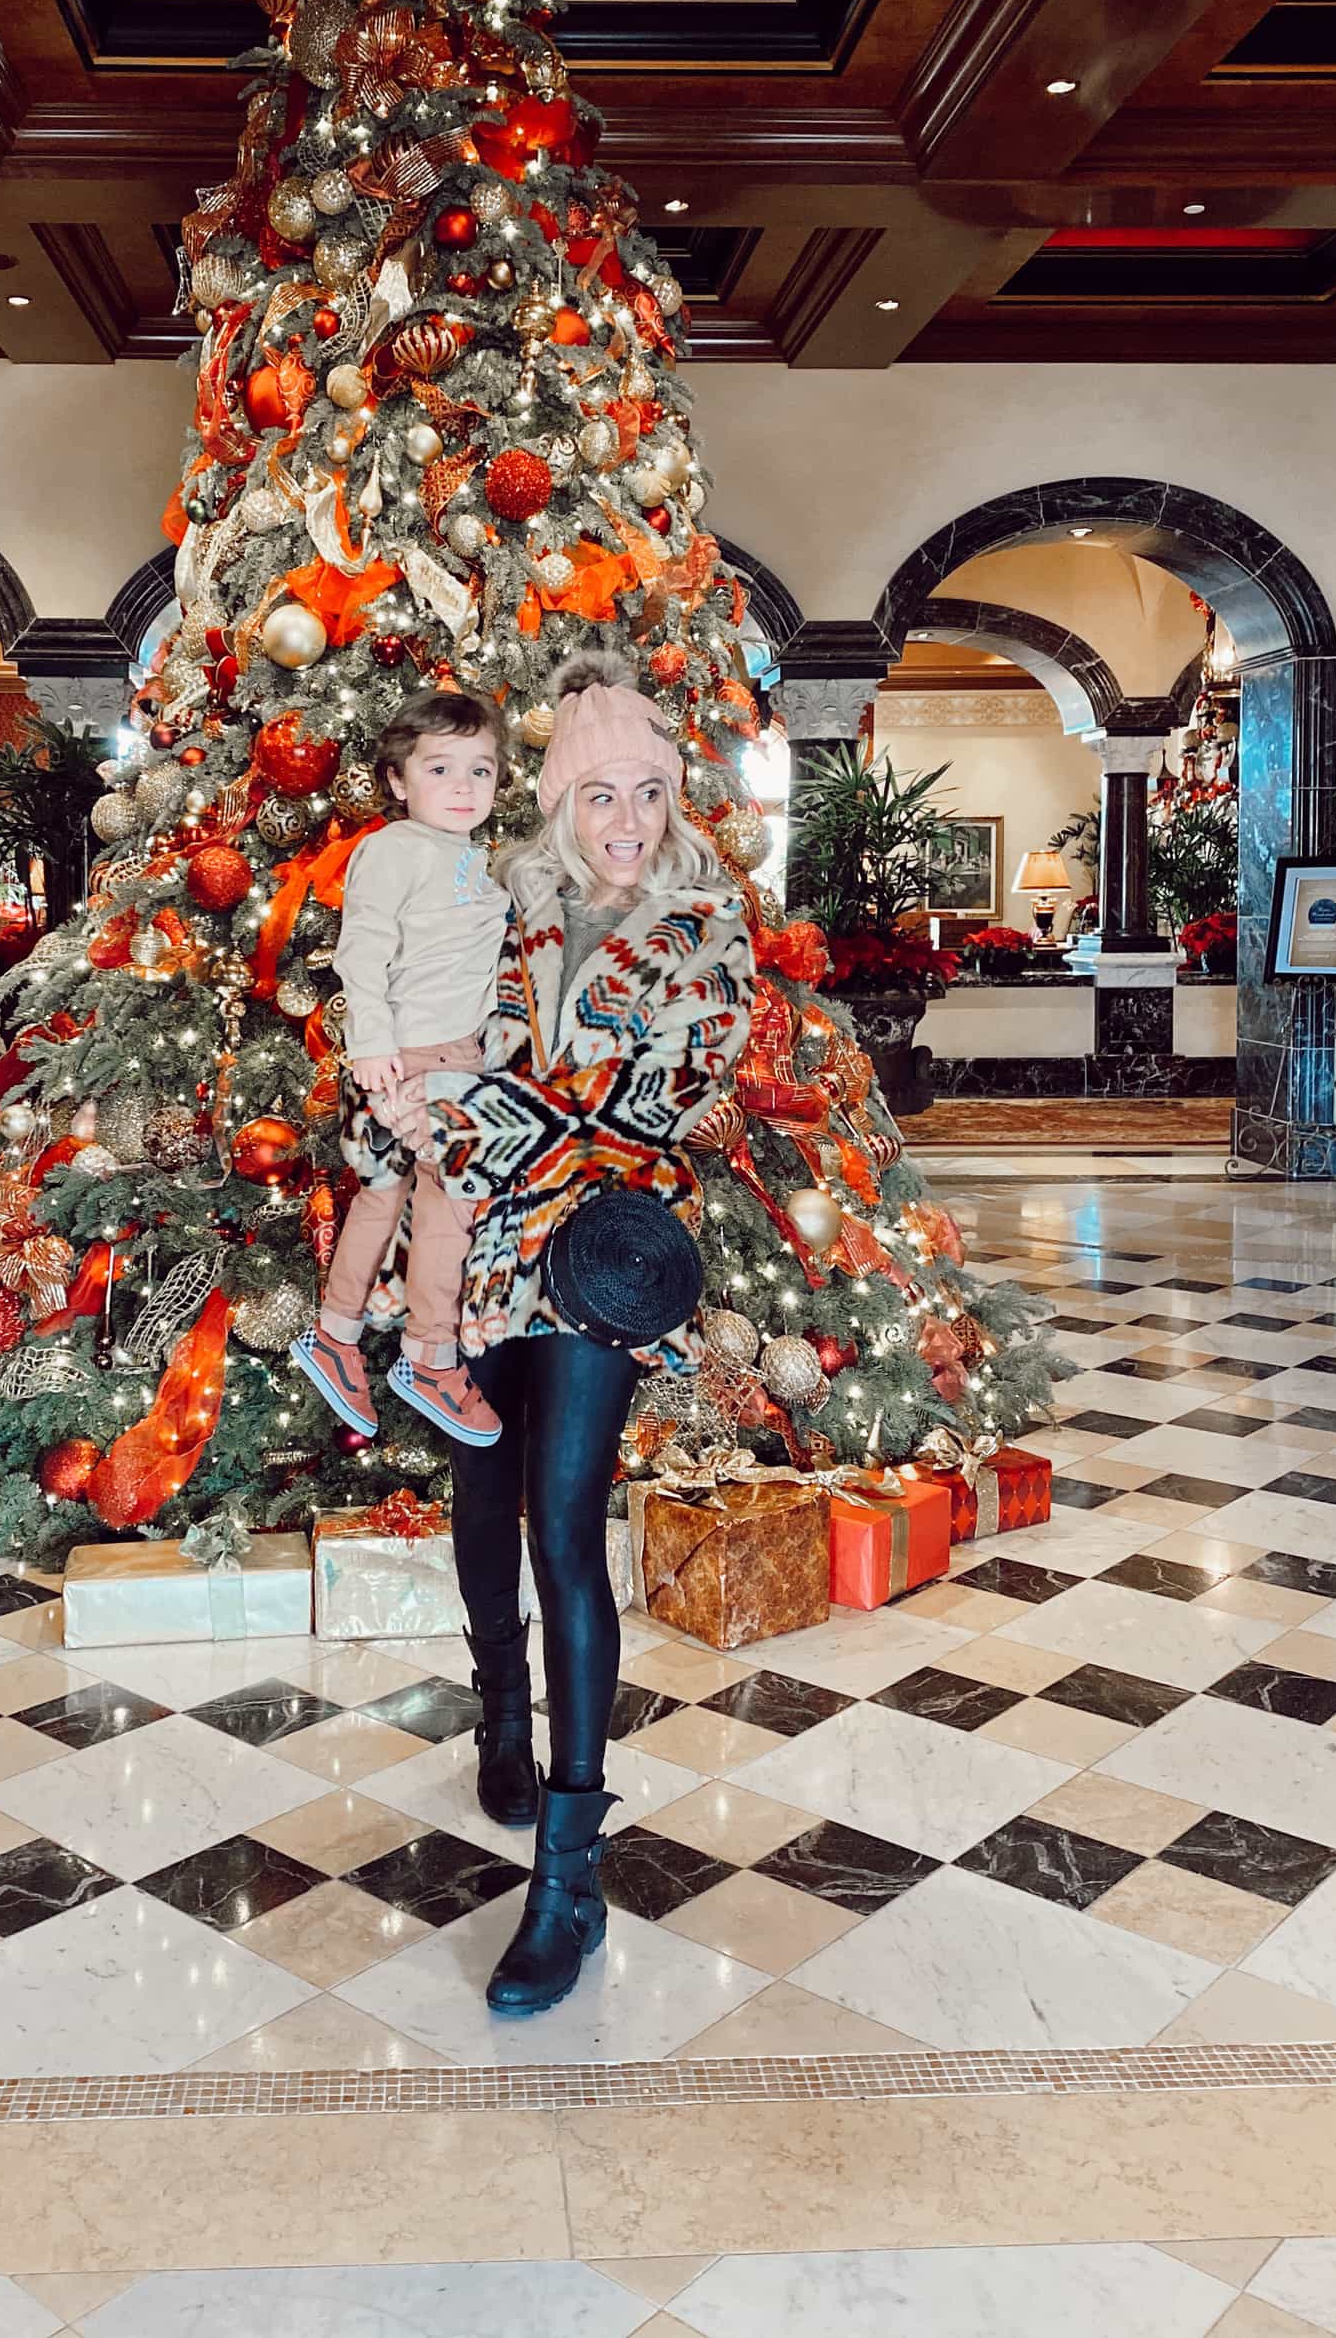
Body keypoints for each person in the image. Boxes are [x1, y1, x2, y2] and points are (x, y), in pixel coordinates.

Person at [388, 654, 755, 2017]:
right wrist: (459, 1088)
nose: (626, 820)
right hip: (481, 1250)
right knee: (482, 1490)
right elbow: (445, 1038)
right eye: (599, 795)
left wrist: (493, 1111)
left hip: (601, 1261)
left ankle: (570, 1867)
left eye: (646, 793)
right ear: (559, 800)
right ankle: (498, 1700)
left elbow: (656, 1101)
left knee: (565, 1518)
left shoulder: (709, 925)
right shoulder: (496, 904)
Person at [292, 685, 512, 1451]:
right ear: (397, 781)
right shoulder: (391, 849)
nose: (461, 787)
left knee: (383, 1194)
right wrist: (373, 1046)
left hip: (458, 1054)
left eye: (479, 771)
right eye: (440, 769)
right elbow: (363, 949)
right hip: (416, 1054)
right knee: (451, 1201)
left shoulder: (476, 858)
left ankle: (335, 1333)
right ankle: (429, 1356)